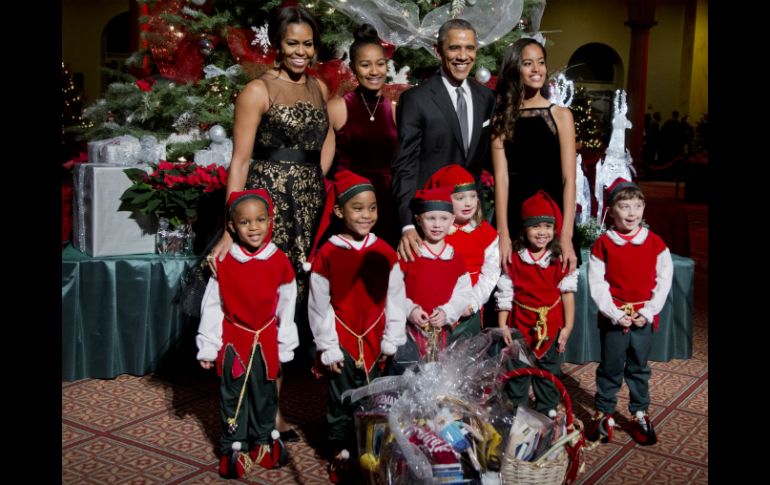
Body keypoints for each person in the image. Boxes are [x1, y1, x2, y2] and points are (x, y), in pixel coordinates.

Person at [207, 4, 333, 439]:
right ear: (277, 46)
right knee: (267, 309)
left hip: (309, 209)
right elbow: (239, 160)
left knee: (293, 307)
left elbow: (325, 144)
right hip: (268, 205)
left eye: (308, 43)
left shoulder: (318, 88)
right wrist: (230, 227)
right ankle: (266, 413)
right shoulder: (257, 91)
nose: (301, 51)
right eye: (293, 43)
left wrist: (318, 182)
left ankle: (272, 405)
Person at [307, 170, 407, 483]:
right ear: (339, 211)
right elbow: (318, 304)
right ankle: (340, 451)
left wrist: (392, 339)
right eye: (358, 208)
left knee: (375, 399)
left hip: (376, 341)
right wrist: (328, 345)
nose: (366, 215)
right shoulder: (328, 253)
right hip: (342, 340)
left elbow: (396, 299)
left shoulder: (386, 252)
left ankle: (370, 450)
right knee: (342, 397)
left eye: (372, 208)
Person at [196, 189, 299, 479]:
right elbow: (213, 306)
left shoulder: (279, 260)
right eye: (245, 222)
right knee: (234, 394)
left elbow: (288, 304)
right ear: (232, 226)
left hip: (266, 339)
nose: (254, 227)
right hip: (234, 341)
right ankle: (234, 446)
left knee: (265, 393)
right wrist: (208, 345)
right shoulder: (225, 262)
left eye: (260, 220)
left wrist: (284, 342)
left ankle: (263, 441)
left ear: (271, 221)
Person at [392, 18, 496, 262]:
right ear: (438, 50)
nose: (463, 56)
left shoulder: (487, 98)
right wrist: (407, 225)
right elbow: (405, 166)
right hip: (430, 223)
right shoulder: (416, 99)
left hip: (471, 220)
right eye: (454, 48)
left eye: (469, 48)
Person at [585, 178, 673, 446]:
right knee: (610, 367)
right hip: (616, 317)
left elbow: (664, 278)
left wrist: (648, 311)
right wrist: (613, 312)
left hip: (642, 317)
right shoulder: (604, 244)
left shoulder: (655, 243)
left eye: (637, 206)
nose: (632, 213)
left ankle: (639, 412)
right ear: (611, 210)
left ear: (644, 208)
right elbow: (597, 283)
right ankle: (604, 411)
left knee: (638, 367)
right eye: (624, 206)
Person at [491, 38, 577, 275]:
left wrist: (566, 234)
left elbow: (569, 180)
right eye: (528, 63)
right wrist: (503, 234)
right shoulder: (502, 118)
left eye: (540, 62)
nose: (536, 69)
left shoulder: (561, 115)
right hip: (514, 214)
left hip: (552, 215)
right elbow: (502, 178)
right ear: (515, 67)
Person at [495, 190, 577, 416]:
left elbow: (567, 294)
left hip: (551, 326)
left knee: (549, 369)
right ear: (524, 230)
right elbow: (505, 295)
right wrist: (503, 324)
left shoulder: (559, 260)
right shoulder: (514, 260)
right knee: (518, 368)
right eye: (536, 227)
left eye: (547, 227)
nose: (542, 233)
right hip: (520, 324)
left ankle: (547, 409)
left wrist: (568, 327)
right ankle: (516, 409)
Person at [326, 24, 400, 246]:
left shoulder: (395, 109)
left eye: (380, 64)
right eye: (366, 65)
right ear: (354, 68)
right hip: (349, 203)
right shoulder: (338, 107)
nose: (374, 71)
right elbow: (323, 164)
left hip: (386, 203)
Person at [424, 164, 500, 342]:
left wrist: (472, 303)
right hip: (435, 311)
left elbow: (491, 273)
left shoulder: (486, 233)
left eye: (472, 196)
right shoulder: (434, 231)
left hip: (468, 313)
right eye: (460, 197)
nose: (468, 203)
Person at [399, 187, 473, 362]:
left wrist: (447, 312)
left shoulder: (456, 258)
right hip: (409, 334)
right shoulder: (410, 253)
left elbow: (463, 292)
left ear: (452, 220)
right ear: (418, 219)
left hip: (442, 334)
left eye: (443, 218)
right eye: (431, 218)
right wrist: (410, 310)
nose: (437, 224)